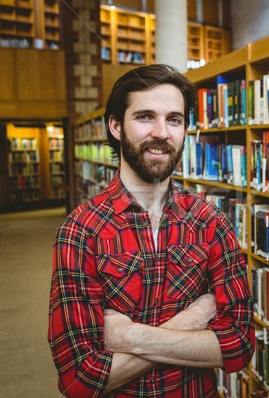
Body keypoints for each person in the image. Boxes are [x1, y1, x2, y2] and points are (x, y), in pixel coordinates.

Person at [48, 64, 255, 397]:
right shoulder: (80, 231)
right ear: (115, 126)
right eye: (145, 116)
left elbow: (240, 346)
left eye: (174, 119)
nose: (162, 132)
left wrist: (127, 336)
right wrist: (195, 318)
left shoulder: (212, 223)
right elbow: (80, 380)